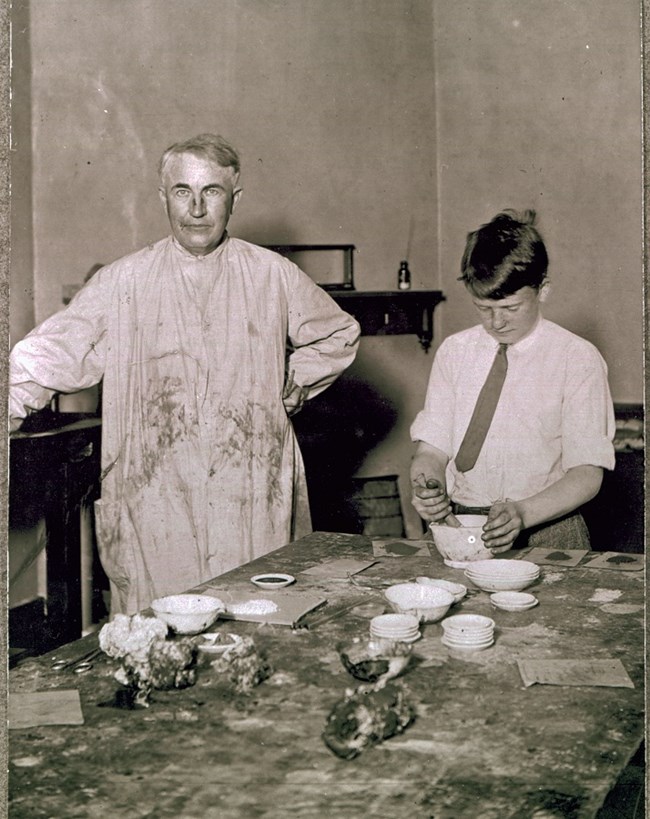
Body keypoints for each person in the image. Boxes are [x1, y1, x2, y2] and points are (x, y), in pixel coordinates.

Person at [9, 133, 360, 614]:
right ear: (163, 196)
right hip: (155, 498)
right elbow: (44, 357)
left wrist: (297, 379)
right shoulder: (123, 282)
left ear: (235, 199)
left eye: (211, 192)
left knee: (253, 624)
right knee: (160, 638)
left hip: (249, 494)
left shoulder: (272, 276)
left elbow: (338, 333)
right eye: (182, 191)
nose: (196, 208)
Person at [410, 209, 615, 552]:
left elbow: (587, 474)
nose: (497, 322)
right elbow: (431, 449)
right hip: (461, 526)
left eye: (511, 308)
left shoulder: (577, 359)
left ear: (543, 290)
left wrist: (523, 512)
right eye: (484, 308)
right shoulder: (454, 353)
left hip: (548, 531)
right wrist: (425, 485)